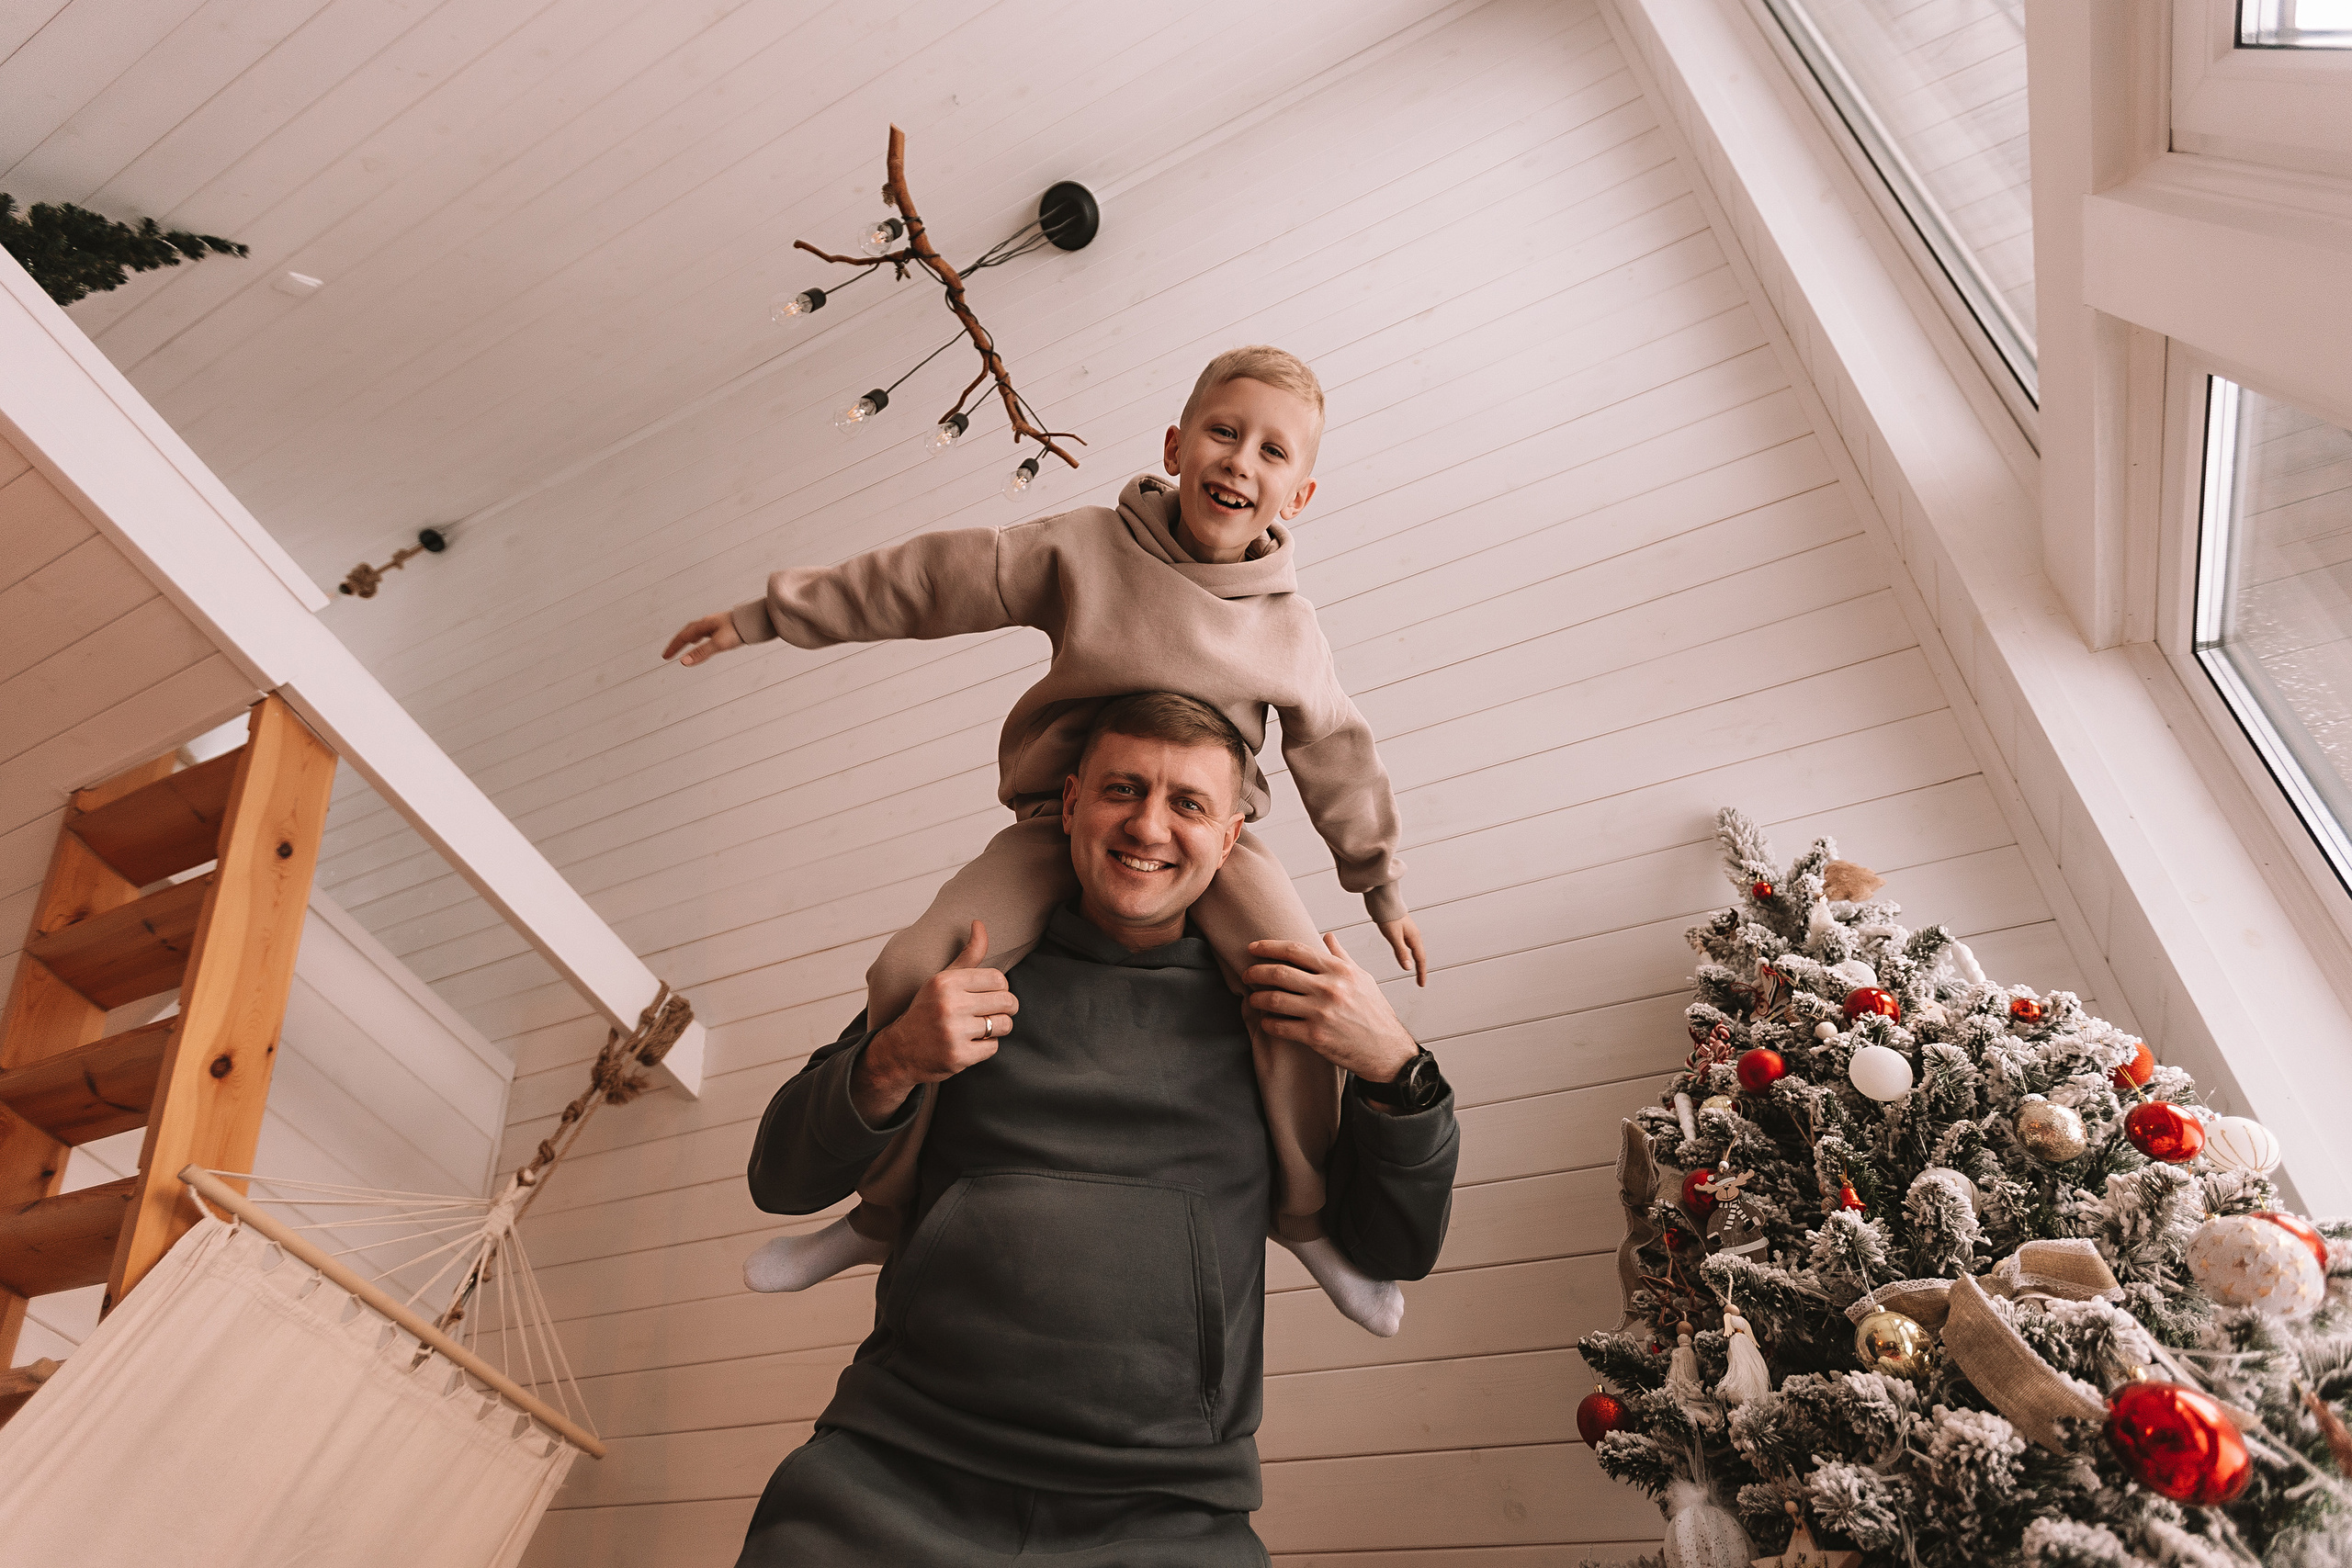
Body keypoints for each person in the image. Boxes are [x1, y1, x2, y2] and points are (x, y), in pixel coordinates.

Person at [664, 345, 1427, 1336]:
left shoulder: (1290, 630)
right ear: (1177, 443)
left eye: (1272, 451)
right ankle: (879, 1214)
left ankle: (1310, 1220)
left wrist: (1381, 888)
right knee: (910, 969)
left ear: (1300, 490)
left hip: (1213, 851)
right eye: (1223, 432)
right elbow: (932, 580)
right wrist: (768, 615)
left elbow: (1339, 754)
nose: (1240, 462)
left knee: (1296, 1000)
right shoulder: (1086, 549)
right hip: (1057, 823)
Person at [735, 694, 1457, 1566]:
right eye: (1123, 789)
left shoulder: (1280, 1022)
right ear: (1072, 803)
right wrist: (888, 1061)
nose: (1148, 825)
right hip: (889, 1478)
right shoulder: (969, 976)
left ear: (1229, 839)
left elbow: (1395, 1248)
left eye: (1187, 802)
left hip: (1169, 1514)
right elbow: (779, 1177)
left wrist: (1397, 1069)